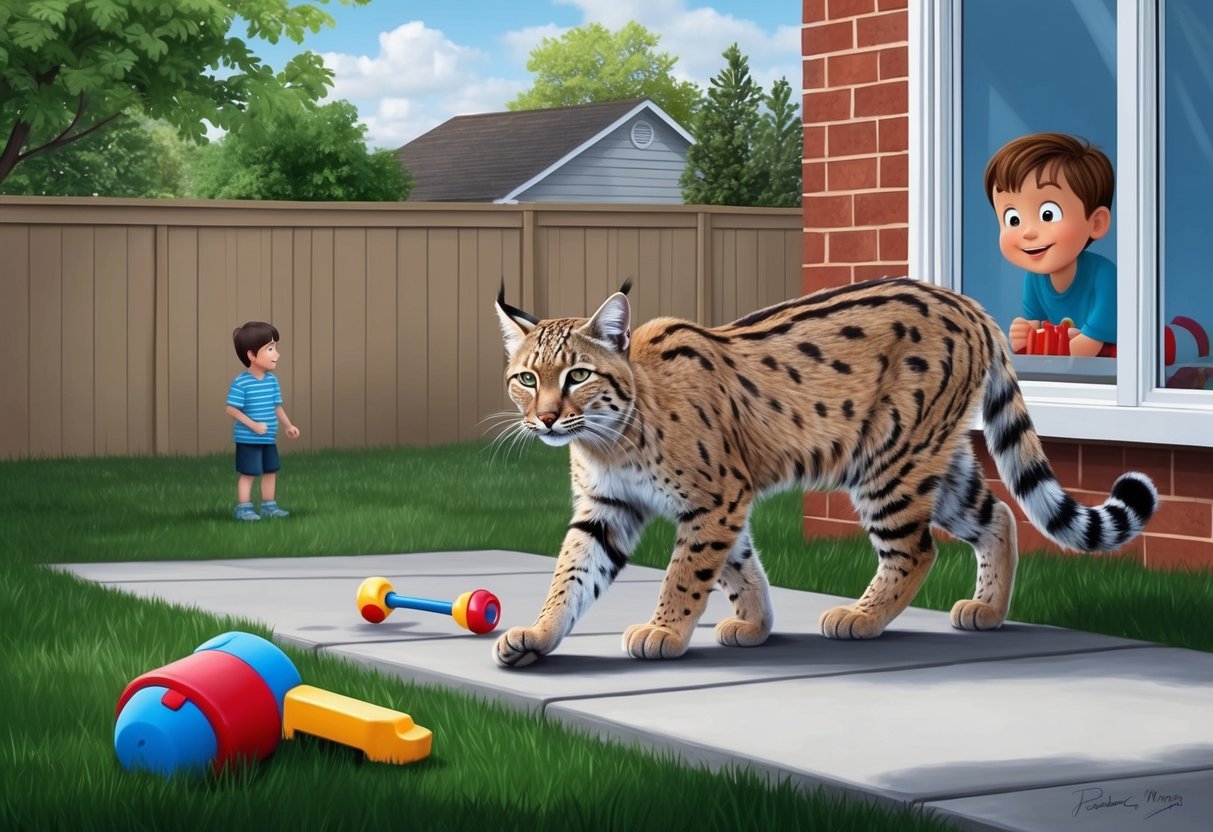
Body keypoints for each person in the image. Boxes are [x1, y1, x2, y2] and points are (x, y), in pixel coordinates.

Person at [984, 132, 1116, 357]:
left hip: (1133, 351)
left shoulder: (1104, 275)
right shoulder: (1035, 279)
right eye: (1013, 219)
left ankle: (1191, 333)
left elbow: (1089, 345)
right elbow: (1034, 329)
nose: (1028, 232)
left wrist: (1069, 346)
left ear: (1096, 223)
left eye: (1048, 214)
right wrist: (1024, 333)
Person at [226, 321, 301, 521]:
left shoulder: (272, 381)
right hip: (248, 439)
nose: (276, 354)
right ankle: (244, 508)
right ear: (251, 355)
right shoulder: (241, 382)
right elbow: (231, 409)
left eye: (275, 348)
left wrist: (288, 425)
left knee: (270, 471)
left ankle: (269, 506)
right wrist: (253, 425)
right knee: (249, 473)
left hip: (268, 438)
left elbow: (277, 406)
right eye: (270, 349)